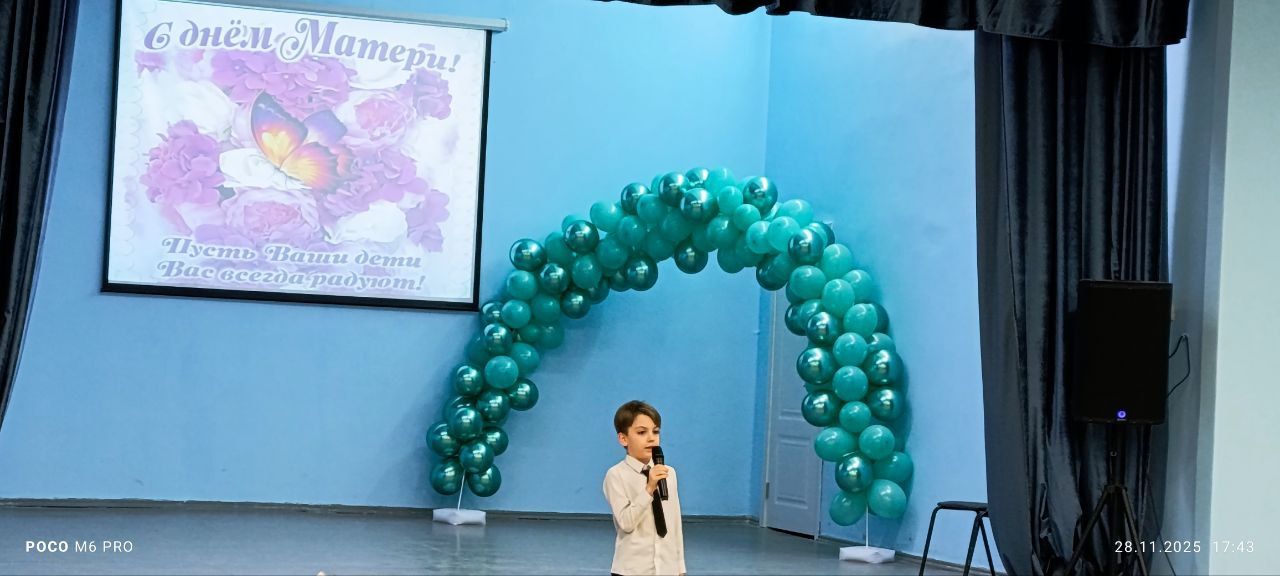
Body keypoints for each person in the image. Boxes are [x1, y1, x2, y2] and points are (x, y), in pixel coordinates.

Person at [603, 400, 686, 576]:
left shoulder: (668, 473)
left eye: (655, 431)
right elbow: (626, 523)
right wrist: (649, 488)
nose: (651, 438)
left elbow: (674, 523)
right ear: (623, 438)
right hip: (632, 569)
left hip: (666, 569)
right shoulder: (616, 475)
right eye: (641, 432)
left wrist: (680, 568)